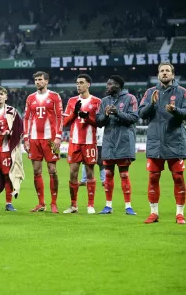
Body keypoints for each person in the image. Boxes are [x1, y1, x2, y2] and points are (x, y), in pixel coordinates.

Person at [138, 62, 186, 224]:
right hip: (155, 142)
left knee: (178, 177)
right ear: (158, 75)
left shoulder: (182, 93)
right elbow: (141, 114)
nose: (164, 73)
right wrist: (151, 104)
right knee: (153, 177)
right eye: (162, 71)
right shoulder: (150, 92)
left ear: (173, 75)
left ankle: (180, 214)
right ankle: (154, 213)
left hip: (175, 141)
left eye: (167, 71)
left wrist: (176, 111)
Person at [96, 75, 138, 215]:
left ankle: (128, 206)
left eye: (109, 84)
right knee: (108, 174)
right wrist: (106, 115)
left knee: (124, 175)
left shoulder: (130, 98)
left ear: (118, 85)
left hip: (124, 142)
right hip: (108, 142)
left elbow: (134, 118)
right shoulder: (104, 101)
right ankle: (108, 206)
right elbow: (98, 122)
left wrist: (118, 113)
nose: (107, 87)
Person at [23, 71, 63, 213]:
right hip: (34, 138)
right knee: (36, 170)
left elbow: (59, 117)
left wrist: (58, 136)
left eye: (40, 79)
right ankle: (41, 203)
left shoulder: (54, 97)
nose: (37, 82)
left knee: (52, 170)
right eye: (36, 80)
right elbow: (26, 118)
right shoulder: (30, 98)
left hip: (51, 139)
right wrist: (26, 138)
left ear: (46, 81)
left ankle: (54, 203)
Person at [62, 74, 101, 214]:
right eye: (77, 83)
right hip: (74, 143)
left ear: (88, 84)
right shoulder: (72, 101)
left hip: (90, 142)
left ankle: (90, 205)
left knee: (90, 173)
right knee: (73, 173)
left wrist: (88, 117)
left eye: (81, 83)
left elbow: (100, 123)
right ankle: (74, 205)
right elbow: (64, 122)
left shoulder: (97, 101)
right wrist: (74, 113)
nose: (78, 85)